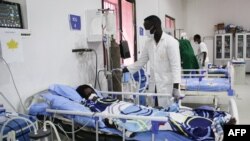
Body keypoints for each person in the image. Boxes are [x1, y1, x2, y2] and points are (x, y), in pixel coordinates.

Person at [76, 84, 236, 140]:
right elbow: (102, 113)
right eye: (86, 90)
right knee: (174, 121)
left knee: (180, 115)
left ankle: (237, 132)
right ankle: (225, 132)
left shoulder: (104, 96)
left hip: (134, 108)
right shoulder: (91, 102)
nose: (90, 90)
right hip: (126, 112)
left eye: (90, 88)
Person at [123, 15, 182, 107]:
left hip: (167, 86)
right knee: (154, 112)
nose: (146, 31)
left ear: (154, 26)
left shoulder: (171, 42)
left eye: (146, 28)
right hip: (153, 85)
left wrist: (176, 87)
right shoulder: (148, 43)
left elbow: (176, 66)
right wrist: (126, 69)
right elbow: (141, 61)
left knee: (167, 113)